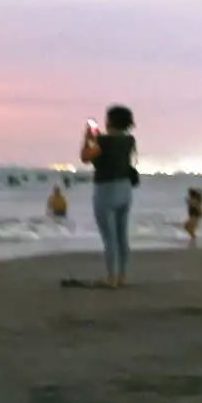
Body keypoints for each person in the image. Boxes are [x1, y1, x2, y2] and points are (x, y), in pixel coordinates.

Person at [80, 105, 140, 288]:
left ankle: (111, 278)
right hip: (125, 189)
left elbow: (85, 157)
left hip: (105, 190)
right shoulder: (130, 140)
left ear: (110, 121)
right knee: (122, 235)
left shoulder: (103, 141)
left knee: (109, 237)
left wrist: (88, 139)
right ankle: (121, 275)